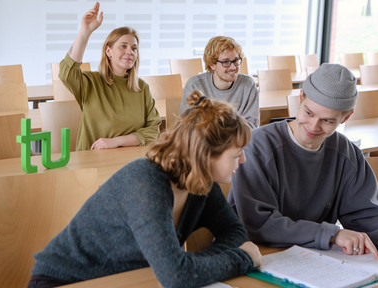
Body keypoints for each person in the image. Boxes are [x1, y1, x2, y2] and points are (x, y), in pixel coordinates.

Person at [28, 90, 261, 288]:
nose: (243, 161)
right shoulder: (146, 183)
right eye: (236, 154)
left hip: (126, 280)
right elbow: (176, 276)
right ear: (205, 155)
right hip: (65, 281)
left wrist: (193, 264)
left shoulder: (202, 184)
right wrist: (241, 258)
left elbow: (234, 232)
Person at [228, 63, 378, 259]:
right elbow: (258, 224)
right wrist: (332, 234)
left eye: (327, 120)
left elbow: (368, 218)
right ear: (301, 98)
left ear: (346, 117)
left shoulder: (346, 153)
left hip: (314, 259)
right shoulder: (257, 146)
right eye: (309, 113)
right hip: (256, 256)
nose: (313, 126)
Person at [58, 2, 161, 151]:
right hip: (95, 160)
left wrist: (116, 141)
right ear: (108, 51)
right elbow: (66, 72)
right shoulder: (91, 83)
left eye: (134, 48)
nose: (130, 52)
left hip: (130, 160)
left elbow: (153, 130)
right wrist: (85, 32)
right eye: (123, 46)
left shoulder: (142, 88)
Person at [179, 36, 259, 128]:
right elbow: (185, 126)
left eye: (236, 60)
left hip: (239, 142)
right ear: (212, 64)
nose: (233, 67)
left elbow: (252, 127)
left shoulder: (248, 85)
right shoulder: (195, 85)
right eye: (226, 62)